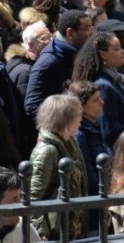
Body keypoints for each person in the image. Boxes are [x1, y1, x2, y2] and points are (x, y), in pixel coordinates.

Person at [28, 93, 87, 240]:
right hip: (54, 234)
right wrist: (40, 233)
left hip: (72, 229)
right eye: (78, 115)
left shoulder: (70, 142)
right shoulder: (47, 151)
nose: (81, 118)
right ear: (65, 119)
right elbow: (33, 196)